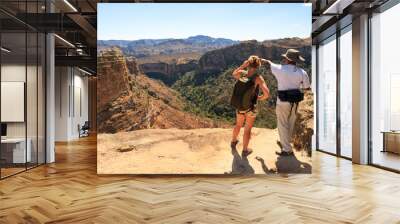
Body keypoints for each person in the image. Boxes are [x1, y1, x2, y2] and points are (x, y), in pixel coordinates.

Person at [261, 49, 311, 156]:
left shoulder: (279, 69)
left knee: (282, 123)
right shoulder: (302, 72)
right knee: (291, 122)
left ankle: (287, 149)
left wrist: (266, 61)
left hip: (282, 102)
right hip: (295, 102)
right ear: (296, 60)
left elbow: (270, 64)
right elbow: (307, 87)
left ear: (286, 59)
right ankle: (286, 142)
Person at [230, 55, 270, 156]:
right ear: (258, 66)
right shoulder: (258, 78)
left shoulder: (241, 74)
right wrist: (260, 98)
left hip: (240, 107)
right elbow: (267, 93)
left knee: (238, 125)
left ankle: (233, 141)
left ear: (248, 64)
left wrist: (243, 66)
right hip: (250, 108)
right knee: (247, 129)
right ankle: (245, 150)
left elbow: (234, 74)